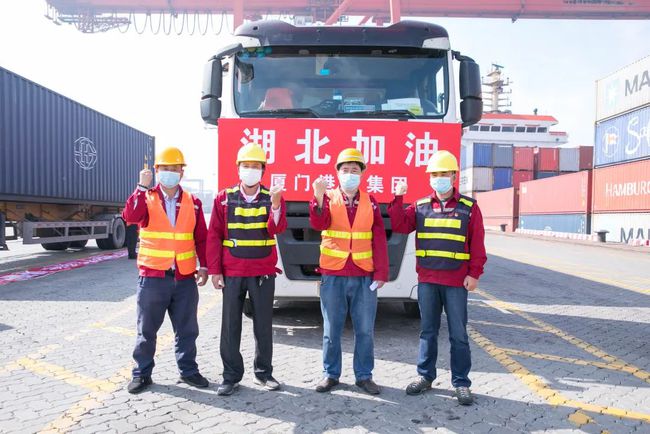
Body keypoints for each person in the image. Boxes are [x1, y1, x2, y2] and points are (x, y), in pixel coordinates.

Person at [388, 150, 487, 405]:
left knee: (458, 335)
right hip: (428, 280)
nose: (439, 178)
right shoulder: (420, 206)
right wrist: (398, 198)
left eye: (444, 174)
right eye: (435, 174)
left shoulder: (469, 208)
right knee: (427, 331)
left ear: (454, 176)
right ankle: (425, 376)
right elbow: (399, 225)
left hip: (456, 282)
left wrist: (474, 274)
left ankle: (461, 383)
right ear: (429, 178)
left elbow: (477, 244)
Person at [122, 146, 210, 394]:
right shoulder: (146, 197)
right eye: (165, 169)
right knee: (146, 331)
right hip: (153, 278)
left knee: (187, 330)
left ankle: (188, 371)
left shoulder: (193, 202)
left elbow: (201, 238)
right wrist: (141, 187)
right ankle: (142, 374)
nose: (170, 172)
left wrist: (204, 266)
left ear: (182, 172)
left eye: (174, 168)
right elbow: (130, 216)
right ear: (157, 171)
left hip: (184, 278)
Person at [207, 143, 287, 396]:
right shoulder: (223, 198)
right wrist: (215, 271)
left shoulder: (272, 197)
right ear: (238, 168)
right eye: (246, 165)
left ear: (263, 170)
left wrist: (276, 206)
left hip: (262, 271)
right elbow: (214, 236)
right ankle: (230, 376)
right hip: (232, 271)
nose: (250, 170)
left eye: (255, 166)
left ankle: (264, 373)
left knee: (263, 324)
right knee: (230, 325)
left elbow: (277, 229)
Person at [309, 148, 389, 395]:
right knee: (331, 329)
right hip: (333, 274)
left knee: (365, 330)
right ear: (337, 173)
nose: (350, 174)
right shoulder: (327, 197)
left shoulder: (370, 201)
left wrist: (381, 273)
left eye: (355, 170)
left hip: (364, 275)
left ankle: (364, 376)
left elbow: (379, 238)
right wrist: (318, 196)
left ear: (362, 174)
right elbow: (318, 223)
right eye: (345, 170)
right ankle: (330, 374)